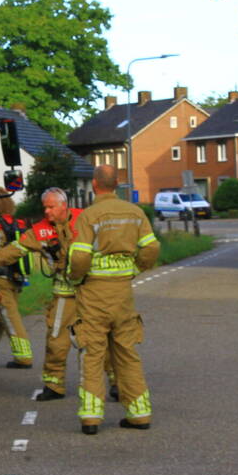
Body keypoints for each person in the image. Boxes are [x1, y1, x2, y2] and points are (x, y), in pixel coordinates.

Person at [0, 187, 119, 398]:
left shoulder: (86, 219)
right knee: (56, 340)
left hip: (94, 292)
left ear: (64, 205)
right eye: (45, 207)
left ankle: (116, 382)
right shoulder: (40, 230)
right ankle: (54, 385)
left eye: (51, 207)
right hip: (64, 294)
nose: (47, 212)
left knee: (101, 338)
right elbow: (14, 250)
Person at [68, 165, 160, 435]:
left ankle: (91, 417)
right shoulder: (135, 212)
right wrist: (136, 269)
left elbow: (81, 256)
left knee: (93, 353)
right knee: (127, 352)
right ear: (117, 184)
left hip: (94, 294)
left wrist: (75, 276)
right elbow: (152, 247)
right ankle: (139, 413)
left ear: (95, 185)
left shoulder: (89, 216)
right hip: (123, 294)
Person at [0, 186, 33, 368]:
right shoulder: (17, 223)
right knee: (0, 318)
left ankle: (24, 357)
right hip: (16, 277)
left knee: (9, 317)